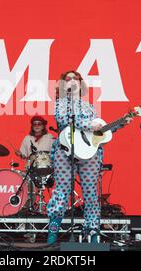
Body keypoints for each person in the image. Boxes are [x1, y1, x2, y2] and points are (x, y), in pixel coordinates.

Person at [46, 70, 109, 245]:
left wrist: (118, 125)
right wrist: (90, 124)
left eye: (76, 79)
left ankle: (92, 230)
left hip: (89, 153)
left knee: (90, 193)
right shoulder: (60, 104)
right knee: (62, 191)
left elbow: (99, 130)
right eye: (68, 79)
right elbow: (64, 120)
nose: (72, 81)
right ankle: (53, 230)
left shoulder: (89, 106)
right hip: (65, 150)